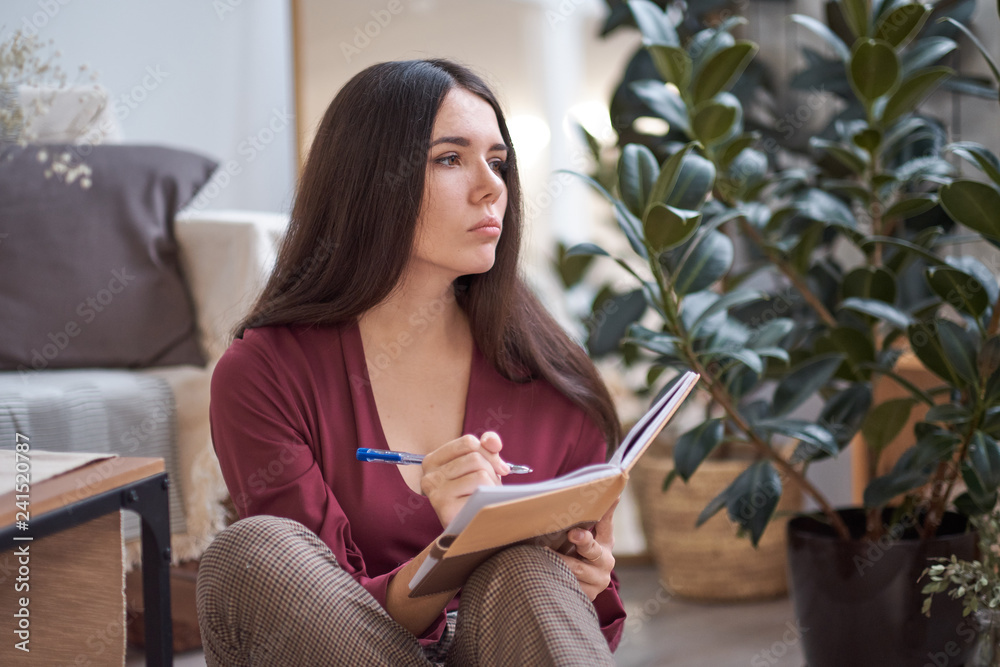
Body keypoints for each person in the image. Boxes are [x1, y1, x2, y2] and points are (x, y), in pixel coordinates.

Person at [198, 58, 627, 666]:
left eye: (498, 162)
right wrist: (456, 550)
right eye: (450, 158)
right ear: (370, 182)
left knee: (530, 572)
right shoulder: (265, 373)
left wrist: (587, 577)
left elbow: (589, 625)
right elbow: (313, 613)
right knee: (255, 550)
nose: (491, 187)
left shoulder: (553, 381)